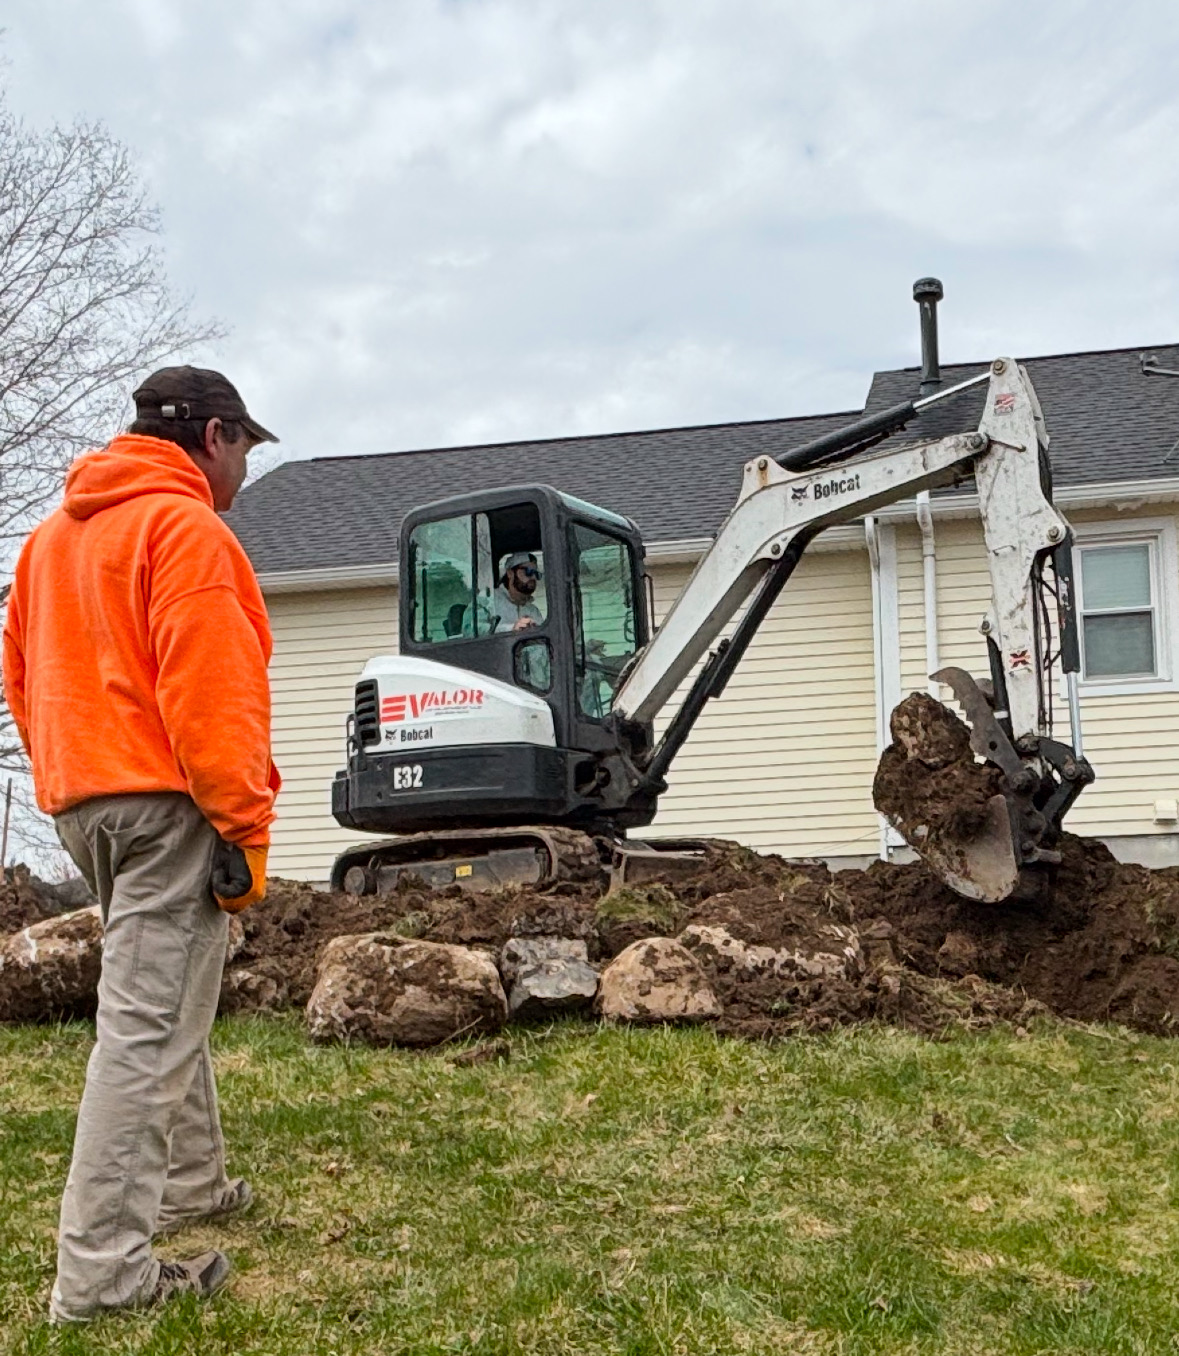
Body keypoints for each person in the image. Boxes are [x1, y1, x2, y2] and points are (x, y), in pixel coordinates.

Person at [2, 366, 282, 1323]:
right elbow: (215, 695)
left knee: (163, 995)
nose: (243, 469)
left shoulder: (50, 543)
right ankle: (101, 1278)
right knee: (146, 1028)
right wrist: (242, 823)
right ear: (215, 437)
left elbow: (22, 678)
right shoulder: (185, 529)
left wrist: (68, 784)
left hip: (88, 802)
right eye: (245, 446)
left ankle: (192, 1185)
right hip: (169, 801)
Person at [491, 552, 544, 632]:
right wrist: (511, 629)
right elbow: (470, 632)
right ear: (510, 573)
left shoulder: (533, 611)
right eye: (528, 572)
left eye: (536, 574)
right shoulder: (489, 601)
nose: (533, 578)